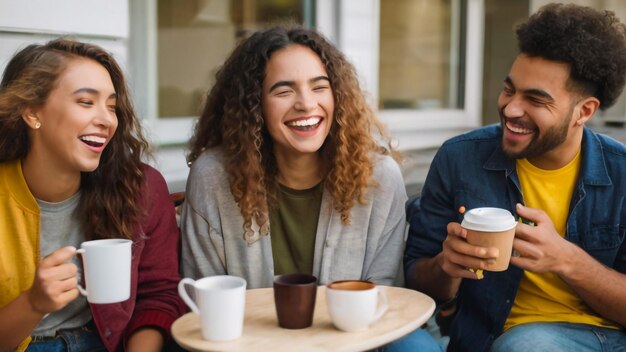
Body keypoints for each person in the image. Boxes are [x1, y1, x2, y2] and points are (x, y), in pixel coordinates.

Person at [180, 26, 441, 351]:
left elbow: (383, 294)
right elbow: (207, 302)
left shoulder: (379, 177)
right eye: (283, 90)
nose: (306, 103)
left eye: (320, 87)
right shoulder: (213, 177)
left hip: (357, 342)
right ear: (253, 105)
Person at [404, 3, 626, 352]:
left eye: (535, 99)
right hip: (483, 338)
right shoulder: (459, 158)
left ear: (583, 112)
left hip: (598, 340)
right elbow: (417, 285)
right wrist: (445, 266)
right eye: (509, 89)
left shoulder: (622, 174)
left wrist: (567, 260)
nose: (510, 109)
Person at [0, 38, 186, 351]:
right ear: (32, 113)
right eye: (86, 102)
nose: (106, 120)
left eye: (111, 107)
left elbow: (157, 294)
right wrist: (33, 304)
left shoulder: (139, 188)